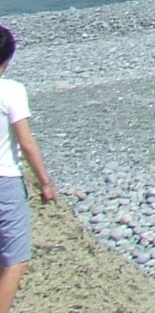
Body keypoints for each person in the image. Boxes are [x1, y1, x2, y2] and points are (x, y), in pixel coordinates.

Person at [0, 26, 57, 313]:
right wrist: (45, 181)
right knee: (16, 260)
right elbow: (26, 141)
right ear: (8, 59)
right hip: (4, 181)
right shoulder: (11, 90)